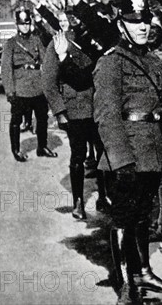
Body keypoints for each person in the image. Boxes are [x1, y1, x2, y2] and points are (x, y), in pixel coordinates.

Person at [93, 0, 162, 305]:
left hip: (153, 149)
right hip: (127, 153)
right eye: (134, 21)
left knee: (143, 215)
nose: (141, 27)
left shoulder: (154, 62)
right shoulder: (111, 62)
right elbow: (107, 115)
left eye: (144, 20)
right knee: (124, 217)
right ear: (121, 23)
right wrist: (121, 161)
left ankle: (142, 270)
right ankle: (126, 284)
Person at [42, 15, 108, 220]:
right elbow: (49, 82)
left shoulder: (91, 42)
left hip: (97, 105)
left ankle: (104, 197)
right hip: (75, 108)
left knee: (102, 154)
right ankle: (78, 201)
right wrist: (60, 112)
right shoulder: (57, 44)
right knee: (78, 154)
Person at [1, 9, 56, 161]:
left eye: (27, 24)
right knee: (16, 121)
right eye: (21, 24)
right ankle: (16, 150)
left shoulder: (36, 40)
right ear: (17, 25)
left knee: (42, 118)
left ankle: (42, 147)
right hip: (20, 89)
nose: (25, 27)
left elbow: (45, 60)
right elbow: (6, 70)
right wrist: (10, 92)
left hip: (38, 87)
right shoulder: (11, 44)